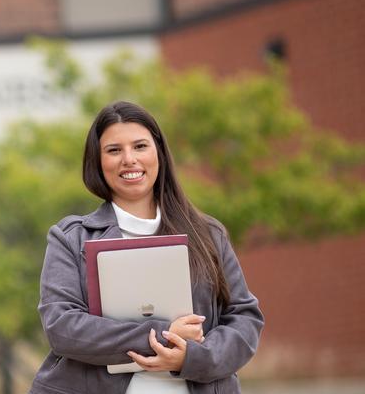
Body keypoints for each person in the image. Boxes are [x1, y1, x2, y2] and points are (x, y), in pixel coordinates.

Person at [30, 101, 264, 394]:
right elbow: (62, 326)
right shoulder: (70, 238)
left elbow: (244, 319)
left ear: (159, 154)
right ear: (98, 162)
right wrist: (162, 335)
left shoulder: (208, 234)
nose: (129, 159)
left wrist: (191, 357)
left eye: (140, 146)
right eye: (114, 150)